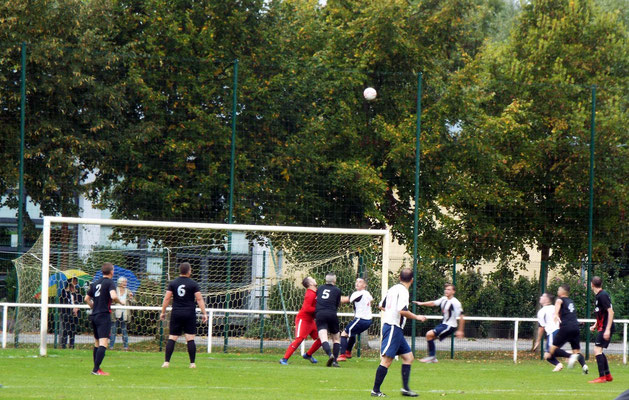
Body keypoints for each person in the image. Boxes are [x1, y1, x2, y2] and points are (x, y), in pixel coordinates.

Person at [371, 268, 426, 397]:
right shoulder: (403, 292)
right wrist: (417, 317)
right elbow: (402, 311)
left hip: (396, 329)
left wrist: (390, 310)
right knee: (386, 360)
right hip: (392, 327)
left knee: (408, 357)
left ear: (400, 278)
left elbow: (380, 305)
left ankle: (405, 389)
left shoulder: (392, 289)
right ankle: (375, 390)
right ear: (412, 280)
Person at [160, 262, 208, 368]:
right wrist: (204, 313)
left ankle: (166, 362)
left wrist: (163, 312)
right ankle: (192, 363)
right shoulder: (193, 284)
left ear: (180, 271)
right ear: (189, 271)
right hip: (189, 313)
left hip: (176, 312)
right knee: (190, 338)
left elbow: (167, 298)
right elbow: (199, 299)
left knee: (172, 337)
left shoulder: (173, 283)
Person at [85, 262, 121, 376]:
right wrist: (120, 301)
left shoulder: (95, 283)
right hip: (104, 315)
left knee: (97, 342)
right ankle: (95, 370)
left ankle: (97, 368)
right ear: (111, 272)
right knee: (103, 343)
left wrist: (93, 306)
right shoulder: (110, 282)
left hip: (94, 315)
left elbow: (86, 298)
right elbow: (114, 296)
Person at [414, 283, 465, 363]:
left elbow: (461, 316)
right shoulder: (444, 299)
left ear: (453, 292)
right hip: (444, 324)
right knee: (429, 336)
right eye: (446, 289)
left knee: (429, 334)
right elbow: (433, 303)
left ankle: (432, 357)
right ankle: (432, 357)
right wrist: (422, 303)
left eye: (449, 289)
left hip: (450, 326)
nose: (446, 291)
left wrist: (460, 330)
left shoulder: (455, 302)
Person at [279, 277, 322, 365]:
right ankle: (284, 359)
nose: (314, 279)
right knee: (299, 339)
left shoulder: (316, 292)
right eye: (312, 278)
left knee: (321, 339)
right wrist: (319, 309)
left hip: (311, 321)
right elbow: (307, 308)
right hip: (304, 319)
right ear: (310, 283)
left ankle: (308, 355)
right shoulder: (310, 294)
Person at [548, 284, 588, 374]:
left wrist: (555, 315)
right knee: (577, 351)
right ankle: (584, 366)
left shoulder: (559, 300)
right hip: (576, 327)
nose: (557, 291)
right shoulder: (571, 301)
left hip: (566, 327)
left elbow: (556, 310)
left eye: (558, 290)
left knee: (552, 350)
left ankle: (571, 356)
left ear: (562, 292)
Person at [315, 272, 349, 367]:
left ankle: (330, 354)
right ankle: (335, 361)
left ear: (326, 280)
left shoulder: (320, 288)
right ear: (335, 280)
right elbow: (337, 303)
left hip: (320, 314)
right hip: (331, 314)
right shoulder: (337, 290)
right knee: (336, 338)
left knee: (323, 337)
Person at [533, 293, 572, 371]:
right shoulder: (555, 308)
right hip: (562, 331)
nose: (540, 297)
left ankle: (571, 355)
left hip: (553, 332)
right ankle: (559, 365)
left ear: (547, 300)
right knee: (548, 354)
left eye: (543, 296)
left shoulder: (542, 311)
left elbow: (541, 327)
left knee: (548, 354)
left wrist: (538, 341)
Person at [337, 277, 373, 361]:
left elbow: (344, 300)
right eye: (356, 281)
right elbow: (371, 300)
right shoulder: (367, 293)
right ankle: (348, 352)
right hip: (368, 321)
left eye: (360, 282)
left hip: (361, 319)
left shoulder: (358, 293)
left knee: (344, 334)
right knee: (352, 333)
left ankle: (342, 355)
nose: (357, 283)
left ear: (364, 285)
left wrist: (333, 296)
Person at [588, 276, 615, 383]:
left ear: (592, 284)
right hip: (602, 326)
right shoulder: (600, 295)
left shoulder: (602, 296)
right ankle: (607, 375)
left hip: (605, 327)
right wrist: (595, 324)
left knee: (597, 350)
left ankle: (602, 377)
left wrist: (607, 329)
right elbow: (602, 313)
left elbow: (610, 312)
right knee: (599, 350)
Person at [109, 277, 133, 351]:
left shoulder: (128, 291)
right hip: (115, 312)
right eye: (124, 282)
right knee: (113, 330)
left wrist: (131, 298)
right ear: (120, 282)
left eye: (126, 282)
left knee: (124, 330)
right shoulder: (115, 290)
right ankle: (111, 346)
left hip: (124, 313)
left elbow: (133, 301)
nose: (125, 283)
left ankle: (125, 346)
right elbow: (111, 299)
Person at [60, 278, 82, 349]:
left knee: (73, 331)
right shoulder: (64, 293)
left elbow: (79, 301)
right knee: (66, 330)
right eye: (73, 282)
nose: (75, 284)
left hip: (74, 315)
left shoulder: (76, 293)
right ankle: (63, 346)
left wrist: (77, 308)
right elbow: (63, 302)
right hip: (66, 314)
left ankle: (72, 346)